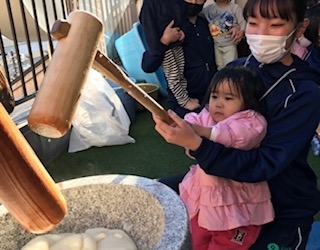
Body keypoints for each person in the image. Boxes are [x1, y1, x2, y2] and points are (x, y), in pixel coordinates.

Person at [153, 0, 320, 248]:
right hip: (224, 188)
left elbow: (264, 164)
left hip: (281, 205)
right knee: (152, 193)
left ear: (299, 27)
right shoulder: (234, 69)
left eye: (275, 25)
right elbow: (208, 121)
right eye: (253, 23)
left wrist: (198, 144)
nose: (262, 33)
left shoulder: (304, 92)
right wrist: (186, 130)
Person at [180, 65, 274, 249]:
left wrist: (197, 133)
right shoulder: (209, 116)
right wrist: (182, 125)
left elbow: (233, 136)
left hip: (237, 206)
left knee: (228, 243)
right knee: (196, 239)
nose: (218, 103)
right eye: (214, 96)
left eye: (228, 98)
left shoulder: (252, 121)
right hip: (206, 200)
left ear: (247, 101)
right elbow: (193, 118)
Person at [141, 0, 218, 118]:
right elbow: (148, 66)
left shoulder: (206, 23)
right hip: (183, 104)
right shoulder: (172, 28)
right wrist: (164, 41)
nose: (194, 1)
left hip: (211, 97)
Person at [202, 0, 246, 70]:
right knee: (220, 67)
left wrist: (241, 31)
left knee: (231, 68)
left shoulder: (235, 8)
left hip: (230, 43)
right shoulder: (209, 9)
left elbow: (243, 22)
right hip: (216, 44)